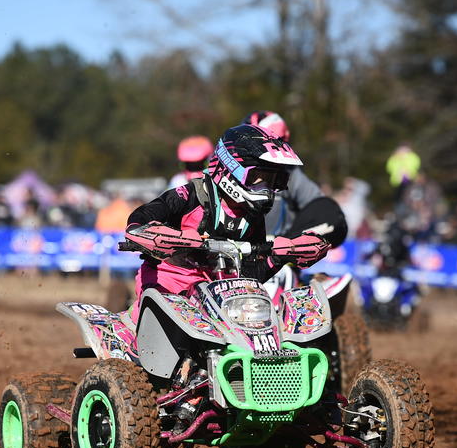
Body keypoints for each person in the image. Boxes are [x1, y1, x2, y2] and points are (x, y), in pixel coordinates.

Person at [123, 124, 330, 318]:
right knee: (164, 320)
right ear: (230, 169)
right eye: (259, 178)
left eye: (274, 181)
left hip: (219, 290)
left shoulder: (252, 216)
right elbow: (143, 215)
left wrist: (276, 258)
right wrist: (147, 232)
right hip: (170, 281)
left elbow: (248, 277)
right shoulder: (193, 194)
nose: (266, 189)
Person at [242, 110, 347, 247]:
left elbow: (320, 208)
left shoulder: (291, 175)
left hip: (276, 254)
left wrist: (289, 242)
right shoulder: (232, 171)